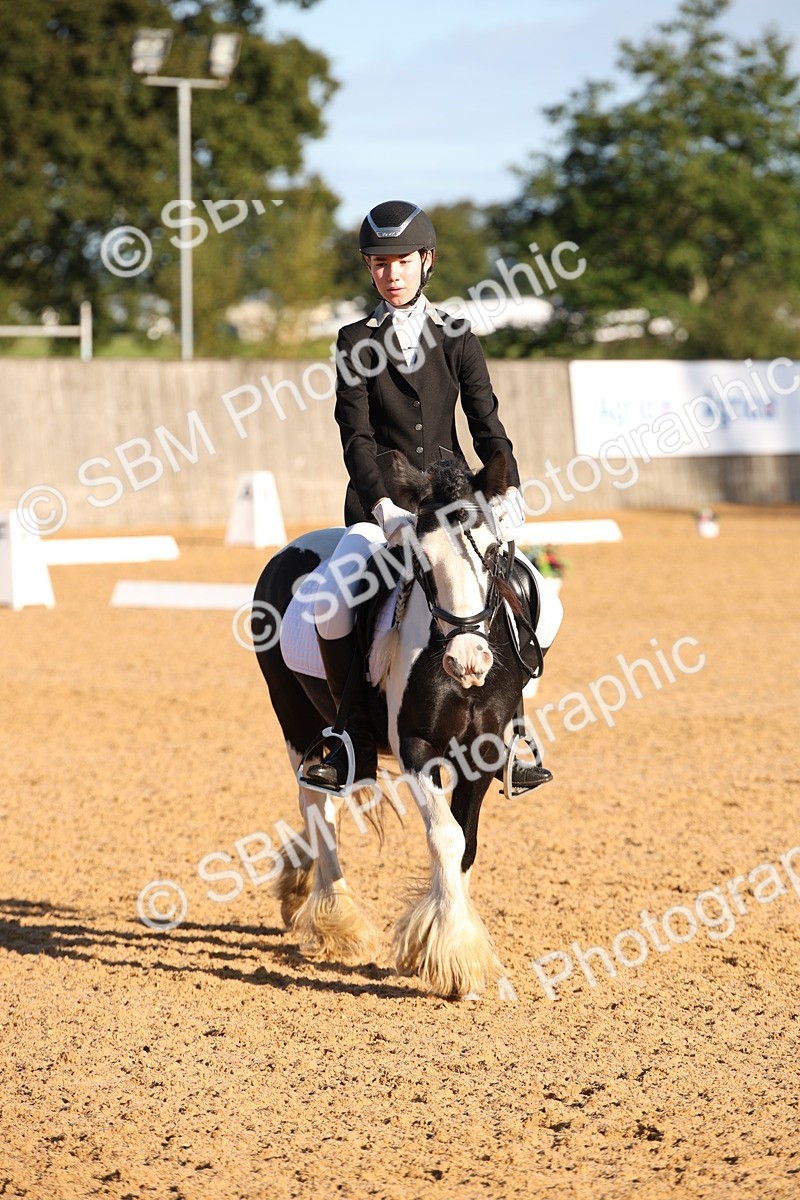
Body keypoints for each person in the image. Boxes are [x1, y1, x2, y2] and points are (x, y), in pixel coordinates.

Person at [302, 199, 562, 794]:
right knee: (331, 605)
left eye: (400, 262)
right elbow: (357, 437)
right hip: (386, 511)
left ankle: (515, 729)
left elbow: (487, 423)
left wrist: (508, 487)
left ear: (426, 262)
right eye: (377, 263)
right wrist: (382, 504)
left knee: (542, 598)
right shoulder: (353, 342)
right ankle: (349, 739)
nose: (389, 274)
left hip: (456, 509)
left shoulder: (458, 338)